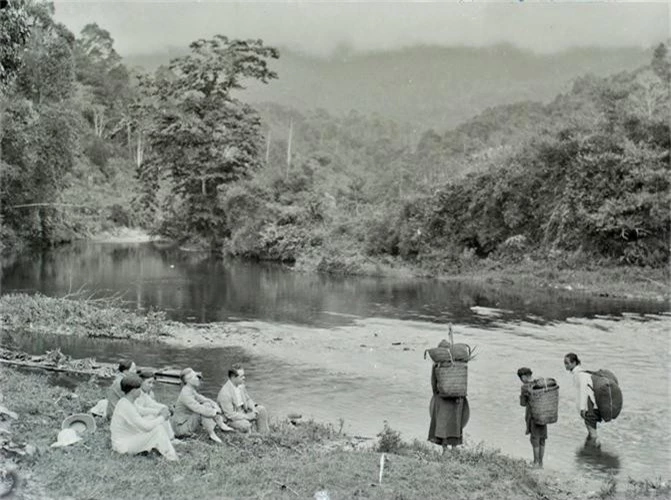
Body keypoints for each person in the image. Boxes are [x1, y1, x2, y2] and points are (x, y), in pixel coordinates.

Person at [110, 374, 178, 461]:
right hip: (123, 445)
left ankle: (165, 447)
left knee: (153, 419)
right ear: (133, 391)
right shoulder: (126, 406)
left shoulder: (127, 401)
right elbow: (146, 427)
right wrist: (162, 417)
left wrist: (159, 412)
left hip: (129, 437)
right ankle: (172, 458)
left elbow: (140, 410)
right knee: (158, 429)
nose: (140, 391)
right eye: (139, 388)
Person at [171, 367, 234, 443]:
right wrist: (215, 412)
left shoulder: (190, 390)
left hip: (186, 421)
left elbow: (203, 399)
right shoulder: (186, 394)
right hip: (180, 428)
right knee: (201, 411)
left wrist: (214, 404)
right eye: (195, 377)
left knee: (206, 404)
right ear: (188, 381)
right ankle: (212, 434)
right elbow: (198, 409)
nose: (198, 378)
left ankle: (220, 425)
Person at [427, 340, 470, 452]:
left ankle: (445, 449)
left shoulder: (437, 364)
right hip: (458, 399)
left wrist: (436, 393)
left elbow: (433, 382)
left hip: (442, 398)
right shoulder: (459, 365)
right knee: (455, 424)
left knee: (442, 424)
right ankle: (454, 448)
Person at [217, 364, 269, 434]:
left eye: (244, 375)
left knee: (261, 410)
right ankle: (249, 439)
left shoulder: (241, 385)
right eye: (241, 376)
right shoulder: (225, 393)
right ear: (233, 377)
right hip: (231, 420)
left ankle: (263, 435)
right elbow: (230, 415)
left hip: (243, 411)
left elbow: (248, 399)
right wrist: (248, 416)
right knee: (245, 425)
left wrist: (253, 408)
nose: (244, 378)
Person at [564, 352, 601, 447]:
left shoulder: (579, 374)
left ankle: (593, 454)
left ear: (574, 363)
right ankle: (591, 452)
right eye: (565, 363)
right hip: (592, 404)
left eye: (567, 363)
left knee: (592, 432)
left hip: (589, 405)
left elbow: (583, 391)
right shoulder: (582, 372)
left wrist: (582, 408)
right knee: (591, 430)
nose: (565, 365)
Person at [517, 367, 548, 468]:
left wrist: (521, 396)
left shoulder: (525, 387)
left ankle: (535, 462)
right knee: (542, 439)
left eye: (521, 378)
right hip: (544, 415)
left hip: (533, 416)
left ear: (523, 377)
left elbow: (523, 404)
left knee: (534, 439)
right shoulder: (541, 383)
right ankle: (541, 463)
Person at [136, 369, 176, 441]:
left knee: (162, 414)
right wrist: (158, 412)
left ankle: (170, 438)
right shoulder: (136, 393)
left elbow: (152, 403)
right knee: (158, 416)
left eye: (153, 383)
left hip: (140, 419)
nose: (151, 385)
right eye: (149, 383)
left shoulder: (144, 393)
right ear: (141, 382)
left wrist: (165, 408)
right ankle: (170, 439)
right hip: (135, 422)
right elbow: (140, 410)